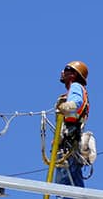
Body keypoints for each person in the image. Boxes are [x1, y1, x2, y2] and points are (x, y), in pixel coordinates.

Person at [55, 60, 90, 196]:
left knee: (65, 187)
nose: (62, 72)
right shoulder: (70, 92)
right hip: (69, 142)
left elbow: (76, 103)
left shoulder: (76, 86)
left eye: (66, 69)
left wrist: (65, 107)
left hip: (68, 144)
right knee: (71, 185)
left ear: (74, 74)